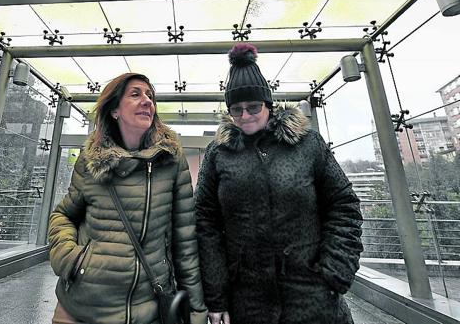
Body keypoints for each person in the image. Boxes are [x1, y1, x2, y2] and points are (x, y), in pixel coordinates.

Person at [195, 43, 363, 324]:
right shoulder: (218, 153)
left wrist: (335, 271)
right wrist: (216, 296)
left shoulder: (308, 145)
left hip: (312, 296)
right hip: (247, 301)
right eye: (236, 110)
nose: (245, 116)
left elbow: (343, 205)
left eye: (253, 107)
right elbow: (205, 222)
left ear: (269, 104)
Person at [48, 73, 208, 324]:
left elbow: (185, 242)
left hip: (147, 311)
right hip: (79, 309)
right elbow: (64, 215)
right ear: (114, 110)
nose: (147, 101)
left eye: (150, 96)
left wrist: (196, 312)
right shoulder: (91, 161)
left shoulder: (171, 161)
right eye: (135, 94)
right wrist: (71, 258)